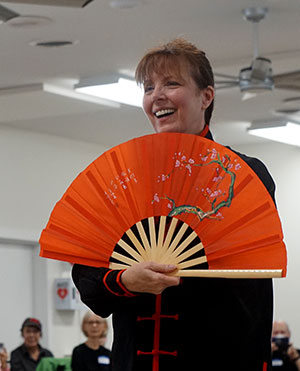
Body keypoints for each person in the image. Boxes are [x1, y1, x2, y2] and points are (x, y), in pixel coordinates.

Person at [72, 38, 278, 371]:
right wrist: (125, 280)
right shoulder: (123, 181)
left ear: (206, 96)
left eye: (172, 83)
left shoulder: (243, 175)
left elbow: (243, 282)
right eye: (149, 87)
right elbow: (88, 279)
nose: (157, 96)